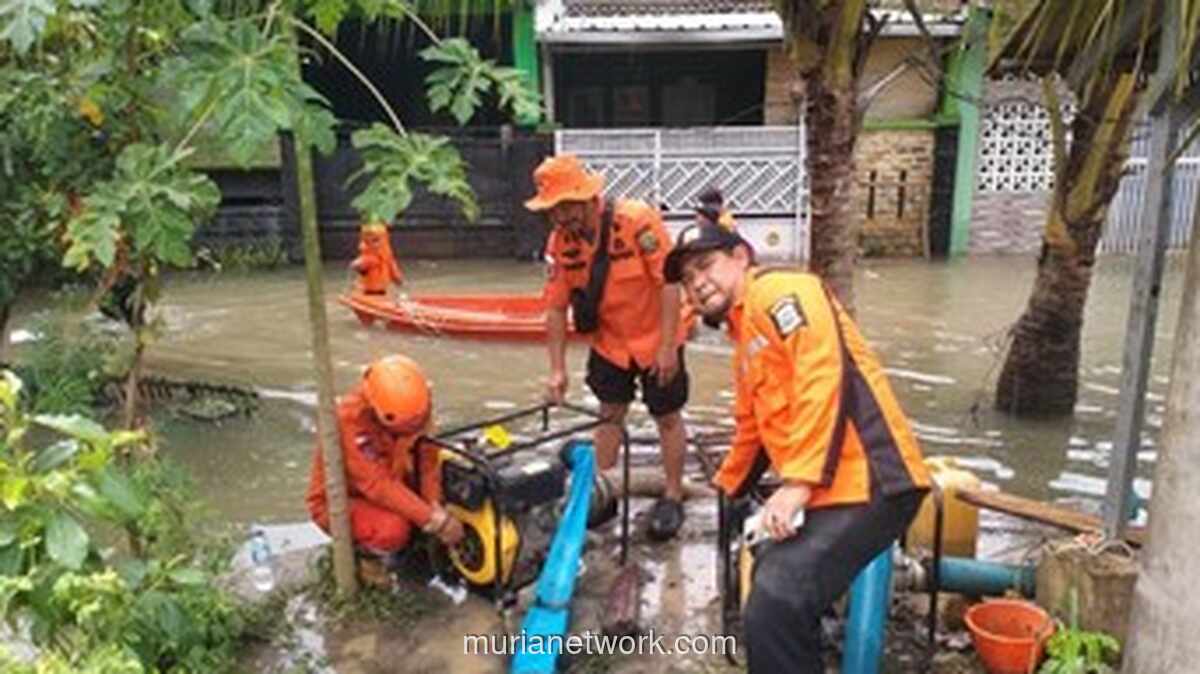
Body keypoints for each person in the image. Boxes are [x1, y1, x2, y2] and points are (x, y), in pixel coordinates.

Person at [663, 211, 932, 673]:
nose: (697, 284)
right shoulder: (745, 334)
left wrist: (797, 485)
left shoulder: (781, 291)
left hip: (871, 480)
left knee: (776, 600)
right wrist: (726, 488)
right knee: (771, 572)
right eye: (687, 279)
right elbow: (752, 426)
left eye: (705, 266)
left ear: (740, 256)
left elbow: (821, 374)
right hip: (831, 490)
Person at [525, 154, 691, 541]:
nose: (560, 218)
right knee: (608, 415)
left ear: (587, 198)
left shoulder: (636, 221)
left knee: (667, 416)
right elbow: (554, 305)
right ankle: (598, 494)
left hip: (655, 337)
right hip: (611, 342)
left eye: (566, 206)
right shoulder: (560, 244)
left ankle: (672, 495)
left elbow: (670, 283)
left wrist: (668, 346)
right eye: (552, 210)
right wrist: (556, 369)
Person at [306, 355, 464, 561]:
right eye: (403, 432)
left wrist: (434, 504)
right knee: (393, 530)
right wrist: (432, 519)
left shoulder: (416, 406)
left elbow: (427, 457)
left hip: (393, 474)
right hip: (343, 499)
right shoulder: (349, 421)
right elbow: (376, 484)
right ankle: (367, 562)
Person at [350, 222, 404, 296]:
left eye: (376, 240)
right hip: (370, 288)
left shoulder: (385, 254)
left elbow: (392, 267)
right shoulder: (370, 255)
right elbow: (363, 263)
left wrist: (397, 278)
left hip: (379, 287)